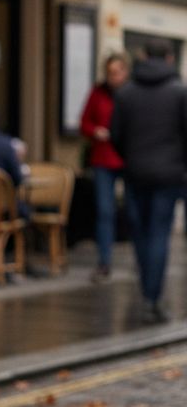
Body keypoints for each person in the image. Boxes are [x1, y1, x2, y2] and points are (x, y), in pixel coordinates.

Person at [110, 38, 187, 323]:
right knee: (158, 234)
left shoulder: (126, 93)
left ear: (143, 56)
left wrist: (131, 157)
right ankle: (152, 299)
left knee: (141, 234)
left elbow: (115, 135)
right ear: (169, 58)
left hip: (136, 173)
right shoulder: (179, 92)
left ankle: (147, 292)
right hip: (168, 175)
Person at [80, 52, 129, 281]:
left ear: (125, 72)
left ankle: (142, 260)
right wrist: (95, 131)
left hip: (128, 159)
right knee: (104, 211)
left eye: (117, 72)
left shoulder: (132, 94)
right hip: (103, 159)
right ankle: (104, 261)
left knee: (134, 210)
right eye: (110, 72)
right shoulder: (97, 93)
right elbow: (84, 122)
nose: (113, 76)